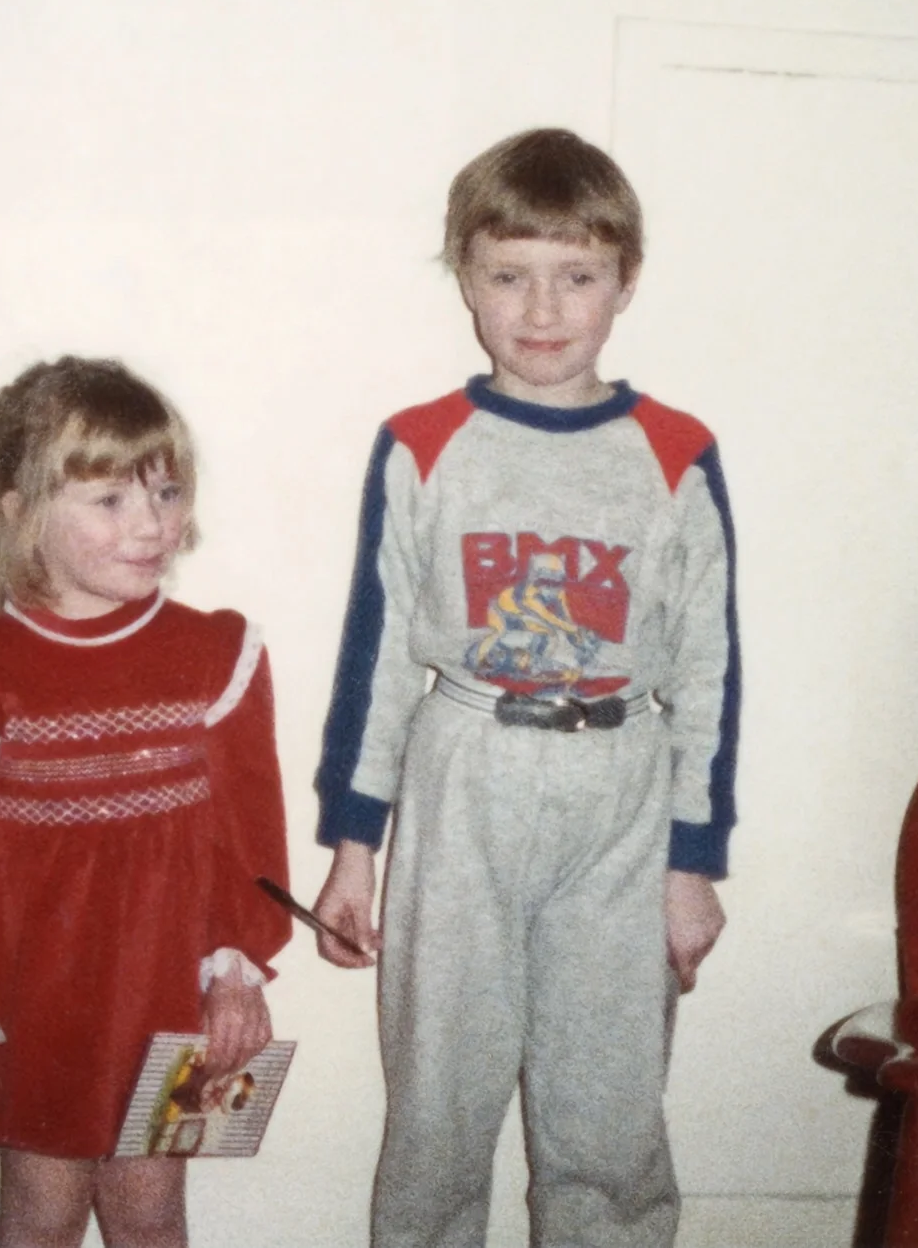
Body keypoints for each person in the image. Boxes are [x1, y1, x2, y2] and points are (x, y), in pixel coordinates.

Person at [312, 128, 740, 1248]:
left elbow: (706, 667)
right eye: (508, 275)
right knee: (438, 1100)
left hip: (621, 789)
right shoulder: (421, 442)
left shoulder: (673, 450)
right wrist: (354, 841)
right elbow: (379, 647)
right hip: (463, 775)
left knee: (604, 1107)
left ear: (624, 282)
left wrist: (692, 861)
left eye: (577, 276)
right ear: (464, 276)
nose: (541, 309)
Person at [0, 357, 292, 1248]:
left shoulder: (216, 657)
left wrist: (236, 972)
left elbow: (248, 838)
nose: (151, 524)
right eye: (111, 501)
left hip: (173, 997)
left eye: (167, 491)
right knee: (41, 1213)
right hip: (40, 1002)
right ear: (20, 511)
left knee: (153, 1215)